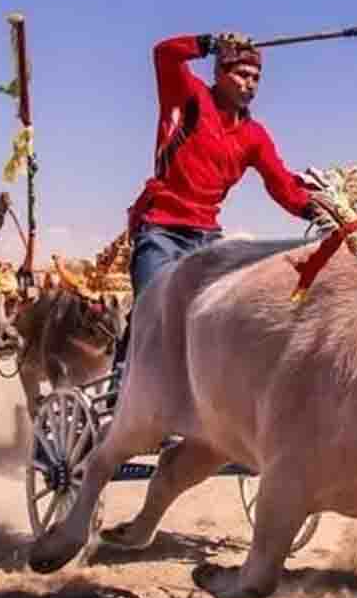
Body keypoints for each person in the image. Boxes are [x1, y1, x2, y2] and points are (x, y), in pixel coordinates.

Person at [110, 30, 333, 385]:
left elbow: (285, 187)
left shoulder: (254, 136)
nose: (251, 84)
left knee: (219, 321)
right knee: (151, 314)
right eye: (242, 74)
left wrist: (324, 210)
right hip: (162, 230)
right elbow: (165, 54)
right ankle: (121, 385)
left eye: (257, 78)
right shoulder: (187, 96)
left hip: (207, 239)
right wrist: (208, 43)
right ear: (218, 72)